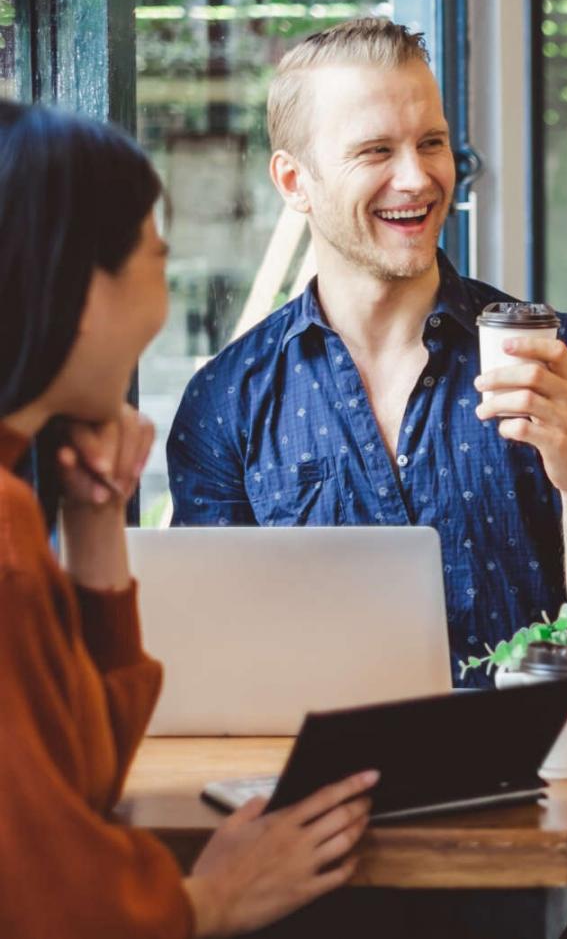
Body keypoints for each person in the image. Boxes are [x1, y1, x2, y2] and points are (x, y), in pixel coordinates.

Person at [165, 19, 567, 680]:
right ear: (295, 182)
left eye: (430, 142)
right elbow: (207, 653)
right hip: (331, 772)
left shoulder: (565, 358)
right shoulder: (227, 402)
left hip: (541, 773)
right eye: (376, 151)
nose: (418, 178)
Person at [0, 101, 379, 937]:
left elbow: (80, 777)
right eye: (155, 263)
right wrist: (210, 900)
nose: (163, 306)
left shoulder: (24, 510)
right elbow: (40, 895)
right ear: (76, 289)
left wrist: (96, 520)